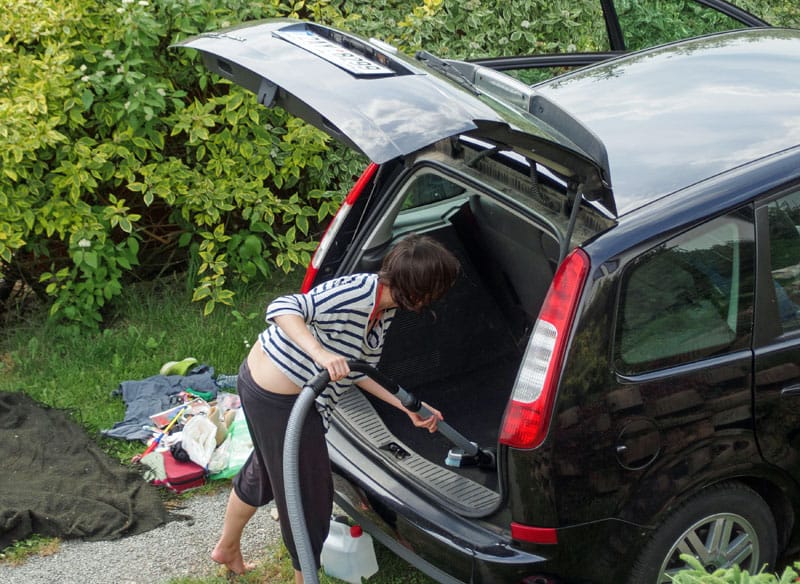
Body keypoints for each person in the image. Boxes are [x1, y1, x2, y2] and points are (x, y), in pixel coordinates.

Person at [211, 233, 460, 583]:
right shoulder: (358, 292)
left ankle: (227, 547)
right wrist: (321, 354)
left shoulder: (384, 311)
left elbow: (357, 369)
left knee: (268, 471)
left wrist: (405, 407)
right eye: (437, 290)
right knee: (309, 495)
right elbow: (282, 308)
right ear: (419, 290)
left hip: (282, 396)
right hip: (277, 398)